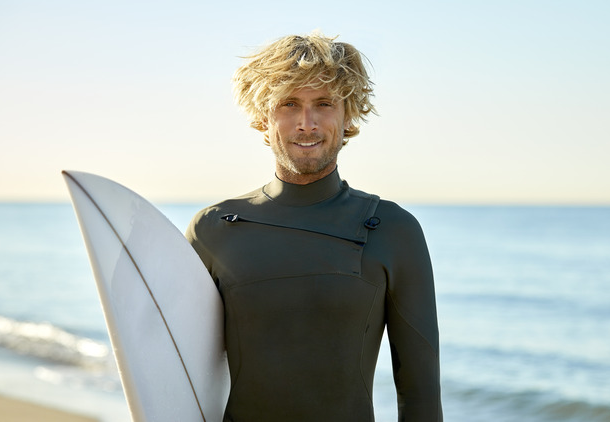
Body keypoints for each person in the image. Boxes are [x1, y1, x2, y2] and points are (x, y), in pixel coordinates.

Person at [185, 32, 442, 422]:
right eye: (289, 104)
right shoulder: (214, 229)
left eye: (324, 104)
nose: (307, 123)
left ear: (347, 114)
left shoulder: (393, 230)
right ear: (263, 116)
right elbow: (177, 368)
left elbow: (420, 395)